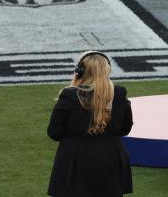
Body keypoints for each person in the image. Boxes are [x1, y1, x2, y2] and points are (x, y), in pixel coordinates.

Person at [47, 51, 133, 197]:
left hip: (75, 159)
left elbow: (54, 132)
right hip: (110, 157)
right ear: (108, 70)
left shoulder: (69, 95)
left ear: (79, 71)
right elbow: (125, 129)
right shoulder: (119, 93)